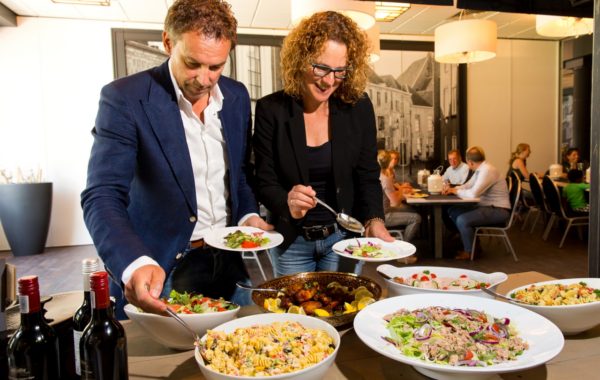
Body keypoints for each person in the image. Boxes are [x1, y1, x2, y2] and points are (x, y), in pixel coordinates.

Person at [81, 0, 271, 319]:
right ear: (168, 42)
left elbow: (236, 175)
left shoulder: (236, 97)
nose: (205, 79)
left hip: (229, 263)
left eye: (216, 66)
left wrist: (248, 215)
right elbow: (102, 196)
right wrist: (134, 262)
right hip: (163, 266)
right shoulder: (126, 98)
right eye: (193, 63)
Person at [252, 11, 394, 277]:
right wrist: (287, 202)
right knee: (294, 316)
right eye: (321, 68)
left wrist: (374, 220)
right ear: (299, 60)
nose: (330, 81)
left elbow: (367, 175)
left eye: (340, 71)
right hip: (290, 241)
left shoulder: (358, 107)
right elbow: (264, 180)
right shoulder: (271, 109)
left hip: (343, 239)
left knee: (340, 314)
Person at [443, 146, 511, 260]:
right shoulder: (481, 169)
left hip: (499, 210)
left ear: (469, 162)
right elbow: (468, 185)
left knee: (462, 219)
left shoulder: (487, 171)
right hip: (487, 206)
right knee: (453, 211)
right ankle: (473, 242)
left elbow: (473, 194)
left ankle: (470, 251)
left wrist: (455, 191)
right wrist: (452, 189)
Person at [377, 150, 422, 243]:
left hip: (377, 213)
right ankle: (404, 249)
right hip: (384, 215)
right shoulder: (385, 179)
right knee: (416, 218)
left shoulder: (378, 175)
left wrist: (400, 190)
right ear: (388, 161)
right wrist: (402, 191)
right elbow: (395, 203)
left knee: (412, 211)